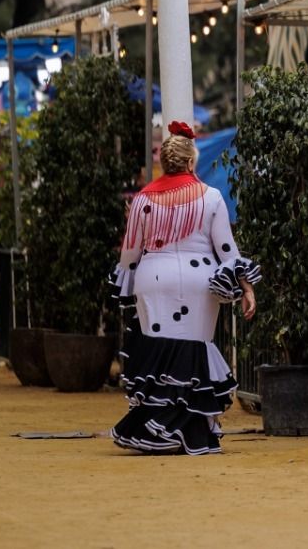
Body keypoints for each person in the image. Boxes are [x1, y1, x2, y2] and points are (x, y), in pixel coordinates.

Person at [110, 120, 259, 455]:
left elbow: (129, 254)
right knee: (193, 349)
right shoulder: (212, 197)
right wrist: (247, 287)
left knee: (158, 348)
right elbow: (226, 250)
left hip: (153, 279)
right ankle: (188, 428)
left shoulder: (143, 199)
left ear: (164, 161)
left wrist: (125, 282)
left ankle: (155, 427)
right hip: (198, 282)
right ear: (192, 161)